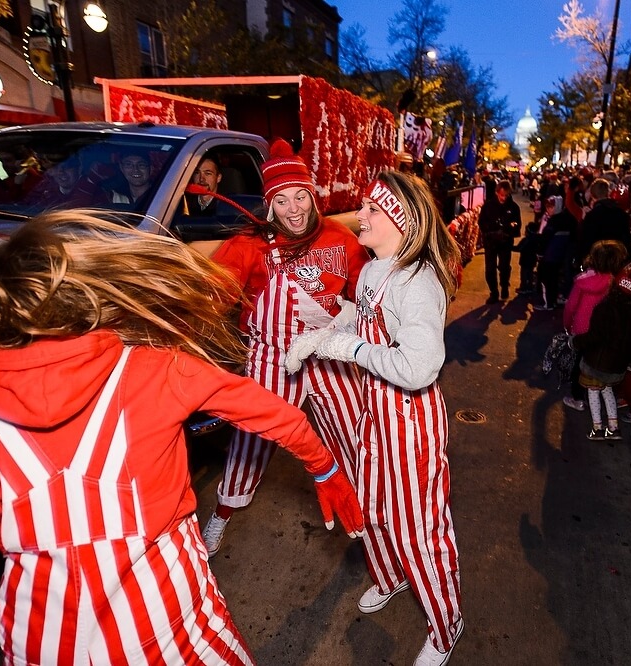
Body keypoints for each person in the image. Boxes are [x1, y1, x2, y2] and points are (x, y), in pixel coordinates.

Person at [0, 211, 365, 665]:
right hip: (164, 620)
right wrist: (323, 467)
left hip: (41, 635)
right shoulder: (158, 370)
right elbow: (276, 414)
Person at [287, 170, 465, 666]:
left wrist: (351, 346)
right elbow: (367, 320)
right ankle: (390, 575)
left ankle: (447, 622)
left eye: (371, 209)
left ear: (402, 222)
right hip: (376, 413)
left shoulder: (418, 282)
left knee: (420, 527)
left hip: (411, 419)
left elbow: (418, 366)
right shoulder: (372, 268)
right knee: (374, 506)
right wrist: (331, 320)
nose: (358, 215)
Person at [202, 139, 370, 555]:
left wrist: (352, 317)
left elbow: (366, 295)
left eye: (301, 197)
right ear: (269, 205)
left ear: (312, 197)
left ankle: (366, 514)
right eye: (282, 201)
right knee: (252, 437)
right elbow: (211, 296)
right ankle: (222, 512)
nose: (294, 209)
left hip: (328, 351)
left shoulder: (340, 238)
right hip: (272, 355)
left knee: (356, 430)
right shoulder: (249, 245)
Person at [571, 260, 631, 440]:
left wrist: (575, 342)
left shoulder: (605, 307)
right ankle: (614, 428)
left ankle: (598, 428)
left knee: (593, 392)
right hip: (617, 367)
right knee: (608, 391)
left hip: (596, 363)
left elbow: (594, 336)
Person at [562, 240, 628, 411]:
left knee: (578, 364)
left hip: (581, 329)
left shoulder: (583, 281)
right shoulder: (616, 283)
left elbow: (570, 306)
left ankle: (578, 399)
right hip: (603, 331)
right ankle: (600, 397)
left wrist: (567, 325)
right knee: (596, 362)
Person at [477, 179, 522, 303]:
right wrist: (490, 231)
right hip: (491, 242)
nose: (503, 198)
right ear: (497, 193)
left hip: (505, 242)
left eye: (506, 195)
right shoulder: (488, 205)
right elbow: (481, 222)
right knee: (490, 269)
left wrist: (508, 230)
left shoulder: (513, 207)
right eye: (502, 195)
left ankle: (504, 286)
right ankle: (494, 292)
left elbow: (517, 224)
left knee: (504, 266)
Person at [576, 178, 631, 262]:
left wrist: (583, 221)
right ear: (608, 193)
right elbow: (627, 238)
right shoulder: (620, 213)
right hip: (617, 258)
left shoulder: (592, 215)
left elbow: (584, 240)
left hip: (598, 260)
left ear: (592, 195)